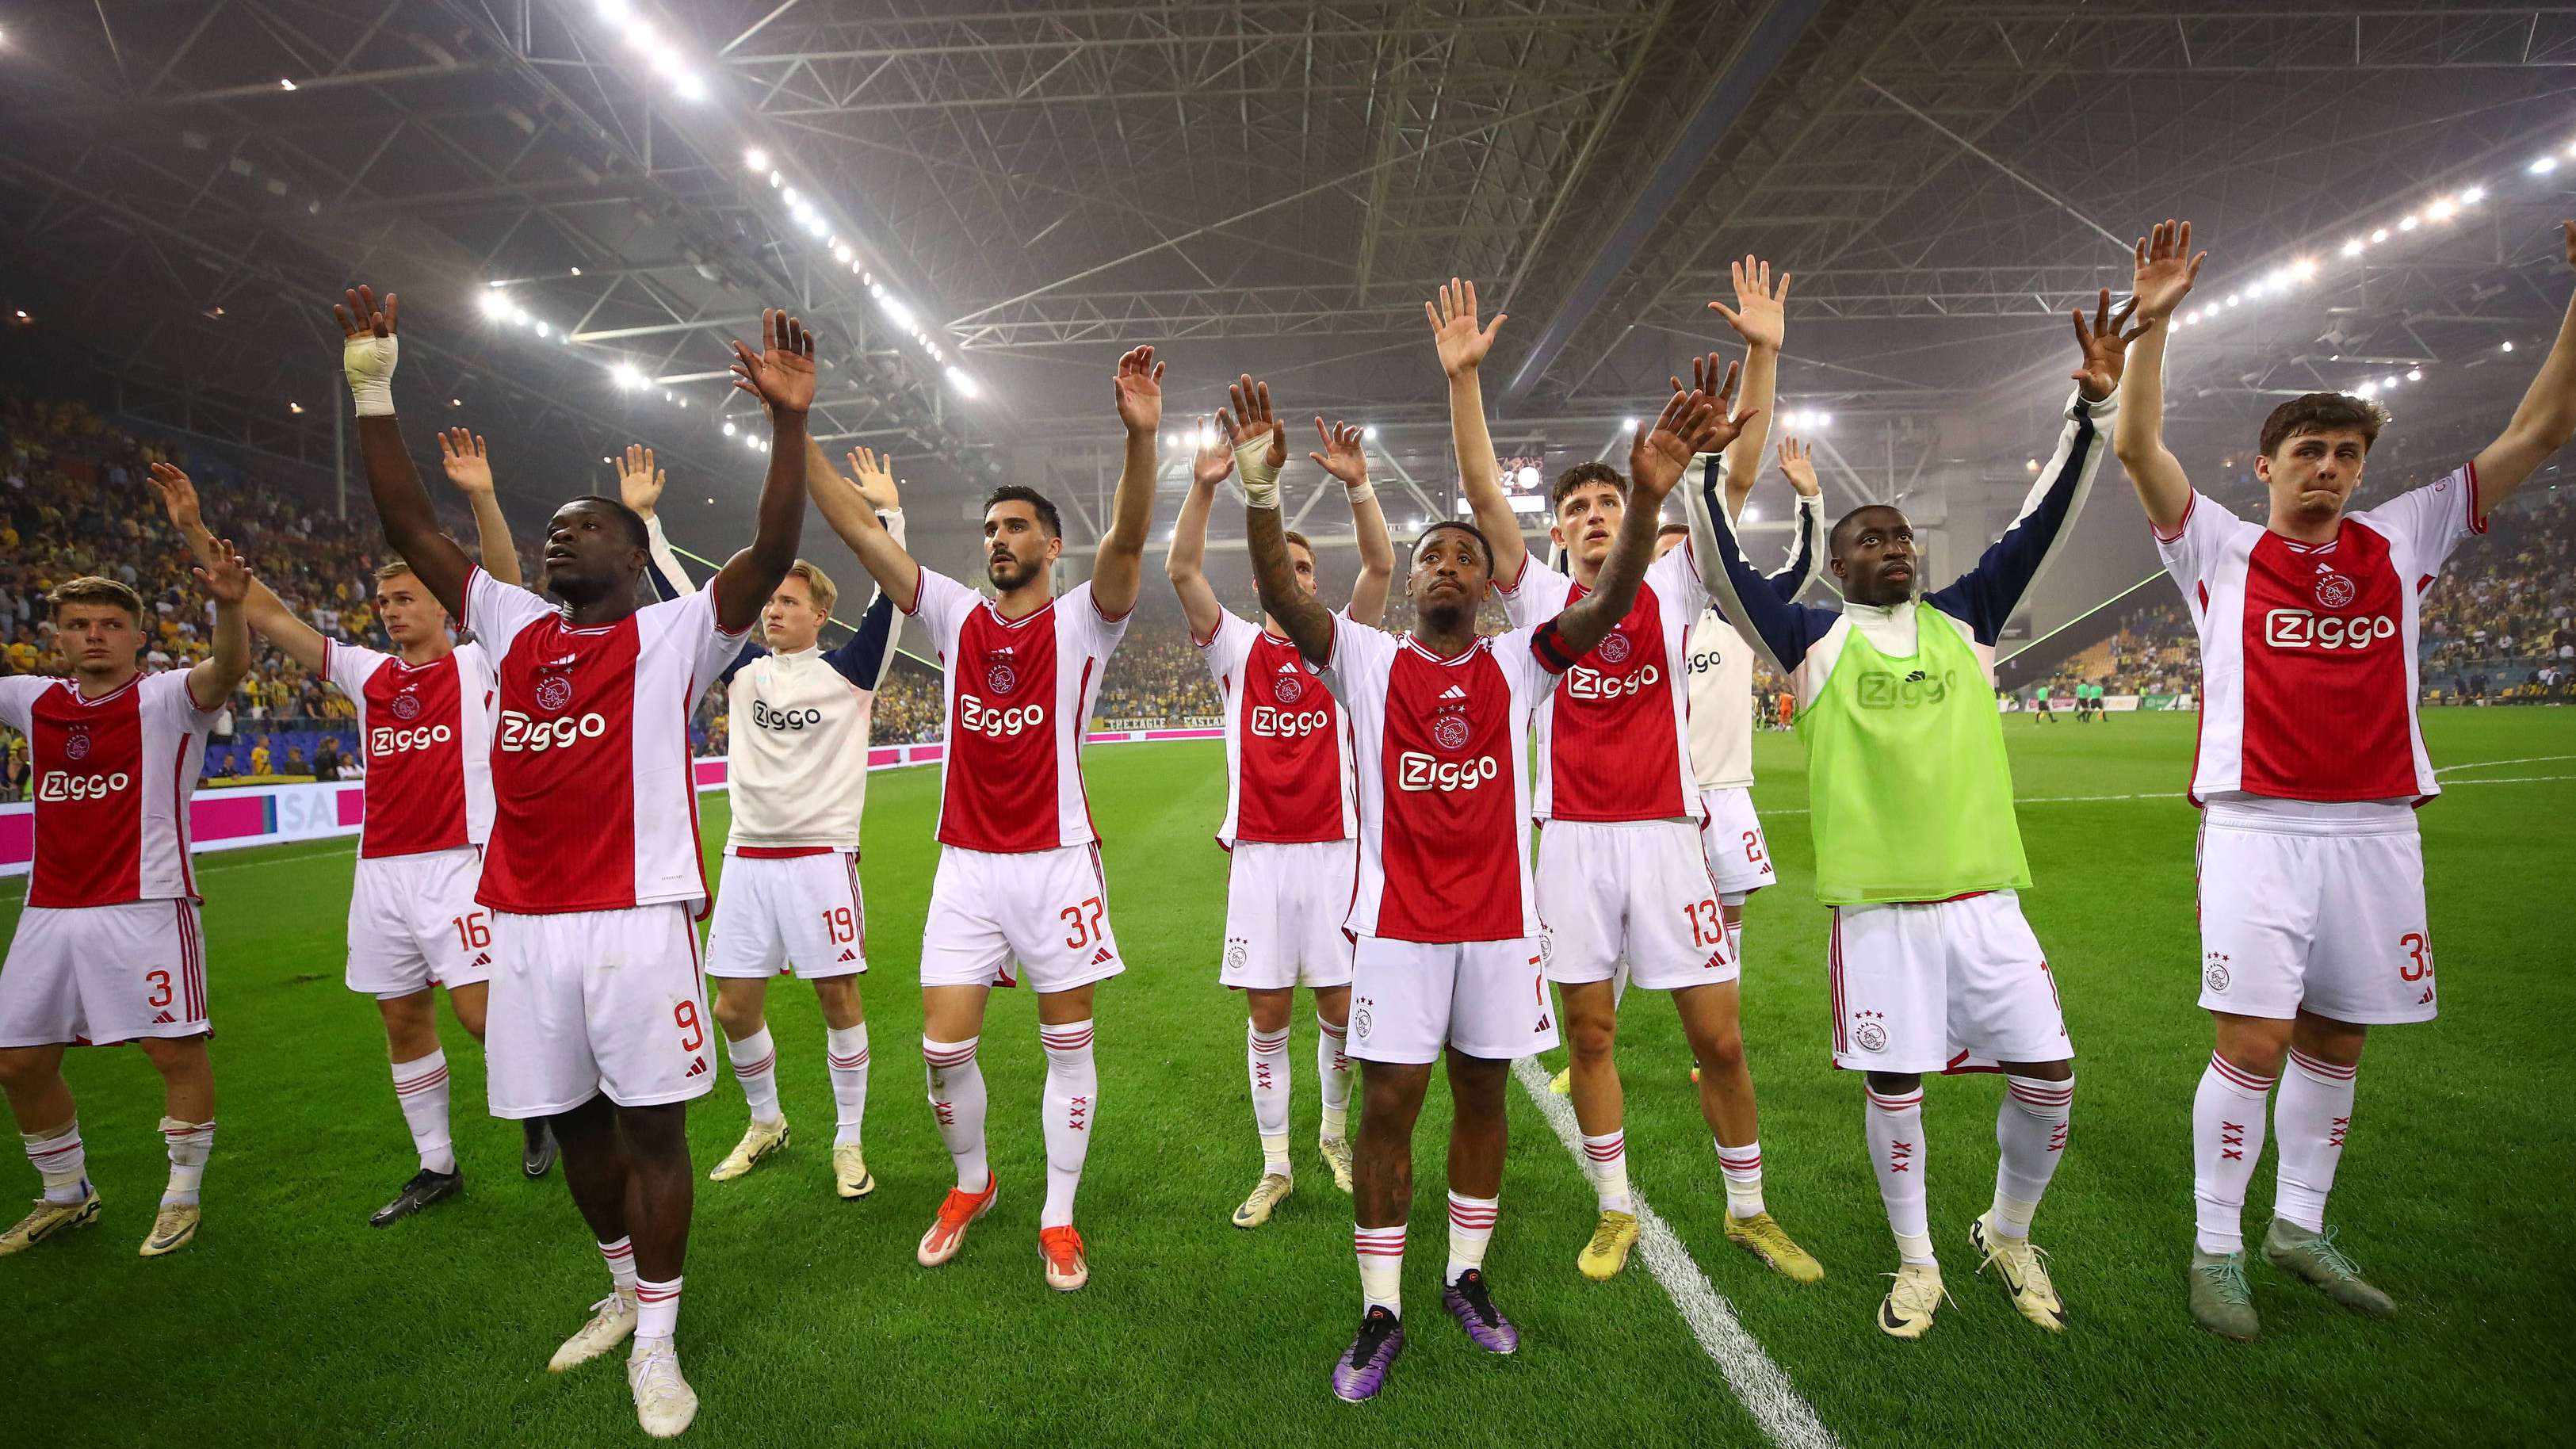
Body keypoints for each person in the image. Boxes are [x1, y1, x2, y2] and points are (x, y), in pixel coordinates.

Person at [338, 284, 812, 1437]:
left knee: (652, 1129)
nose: (559, 534)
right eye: (551, 525)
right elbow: (410, 526)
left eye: (584, 524)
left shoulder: (675, 633)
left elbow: (772, 550)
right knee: (578, 1126)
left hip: (637, 918)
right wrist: (371, 385)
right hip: (525, 925)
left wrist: (789, 422)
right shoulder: (510, 625)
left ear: (635, 552)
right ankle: (622, 1292)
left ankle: (659, 1339)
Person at [2112, 217, 2576, 1340]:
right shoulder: (2217, 546)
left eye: (2346, 453)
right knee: (2251, 1042)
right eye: (2308, 450)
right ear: (2264, 466)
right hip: (2257, 827)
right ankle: (2215, 1246)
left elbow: (2541, 427)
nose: (2328, 466)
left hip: (2376, 828)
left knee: (2339, 1039)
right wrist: (2151, 328)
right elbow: (2135, 446)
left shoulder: (2405, 536)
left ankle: (2299, 1228)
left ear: (2362, 468)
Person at [1252, 371, 1734, 1403]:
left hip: (1498, 929)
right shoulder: (1367, 660)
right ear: (1413, 581)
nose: (1447, 565)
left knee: (1481, 1098)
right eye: (1431, 555)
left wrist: (1650, 497)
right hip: (1395, 931)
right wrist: (1258, 491)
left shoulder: (1522, 660)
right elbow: (1285, 599)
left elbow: (1607, 604)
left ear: (1484, 586)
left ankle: (1465, 1277)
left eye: (1464, 557)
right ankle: (1380, 1307)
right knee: (1388, 1108)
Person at [1694, 292, 2132, 1340]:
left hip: (1985, 899)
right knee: (1896, 1087)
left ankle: (2006, 1231)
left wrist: (2090, 412)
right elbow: (1722, 567)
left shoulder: (1966, 618)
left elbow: (2039, 522)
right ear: (1839, 564)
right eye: (1871, 539)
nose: (1894, 546)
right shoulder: (1809, 639)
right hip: (1879, 911)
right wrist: (1709, 468)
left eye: (1901, 536)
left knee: (2049, 1078)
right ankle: (1917, 1260)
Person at [1436, 272, 1823, 1286]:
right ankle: (1615, 1208)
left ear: (1632, 514)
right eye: (1577, 507)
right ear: (1557, 532)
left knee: (1719, 1040)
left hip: (1665, 835)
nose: (1596, 514)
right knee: (1592, 1032)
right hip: (1569, 840)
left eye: (1608, 500)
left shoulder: (1671, 579)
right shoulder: (1534, 598)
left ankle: (1748, 1208)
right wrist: (1465, 381)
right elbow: (1483, 492)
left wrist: (1764, 353)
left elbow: (1736, 475)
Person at [816, 346, 1160, 1294]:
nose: (997, 539)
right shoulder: (957, 615)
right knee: (942, 1049)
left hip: (1056, 861)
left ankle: (1059, 1213)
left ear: (1051, 544)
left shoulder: (1085, 619)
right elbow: (861, 537)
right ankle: (974, 1182)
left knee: (1068, 1046)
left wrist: (1141, 438)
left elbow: (1130, 538)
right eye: (990, 529)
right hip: (966, 864)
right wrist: (793, 428)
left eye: (1015, 527)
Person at [143, 439, 558, 1229]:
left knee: (481, 1017)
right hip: (381, 873)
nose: (391, 609)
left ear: (445, 605)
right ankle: (437, 1165)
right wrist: (195, 531)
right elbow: (271, 615)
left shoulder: (481, 665)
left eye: (405, 597)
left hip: (461, 864)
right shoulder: (369, 675)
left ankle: (540, 1106)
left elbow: (504, 585)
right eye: (384, 600)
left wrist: (482, 495)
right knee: (401, 1017)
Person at [633, 441, 905, 1202]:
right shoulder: (743, 670)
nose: (774, 610)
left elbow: (893, 593)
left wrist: (891, 517)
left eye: (788, 602)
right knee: (732, 1006)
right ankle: (766, 1121)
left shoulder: (851, 670)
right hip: (748, 859)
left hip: (820, 860)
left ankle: (848, 1141)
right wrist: (648, 526)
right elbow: (688, 604)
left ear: (821, 613)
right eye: (770, 602)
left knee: (837, 1002)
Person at [1166, 381, 1393, 1226]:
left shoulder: (1343, 646)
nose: (1292, 577)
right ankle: (1275, 1165)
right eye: (1282, 568)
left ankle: (1333, 1137)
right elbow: (1181, 569)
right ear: (1263, 578)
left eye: (1304, 570)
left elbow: (1380, 567)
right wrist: (1206, 486)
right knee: (1268, 1013)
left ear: (1313, 584)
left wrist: (1358, 488)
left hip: (1337, 852)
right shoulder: (1233, 648)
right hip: (1261, 856)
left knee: (1337, 1008)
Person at [0, 556, 254, 1260]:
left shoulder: (168, 697)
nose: (94, 635)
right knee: (18, 1062)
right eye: (79, 624)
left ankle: (181, 1198)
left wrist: (230, 607)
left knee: (172, 1050)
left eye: (111, 624)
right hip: (49, 908)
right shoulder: (32, 700)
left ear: (139, 637)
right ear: (57, 637)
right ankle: (65, 1194)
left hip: (147, 903)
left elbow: (229, 668)